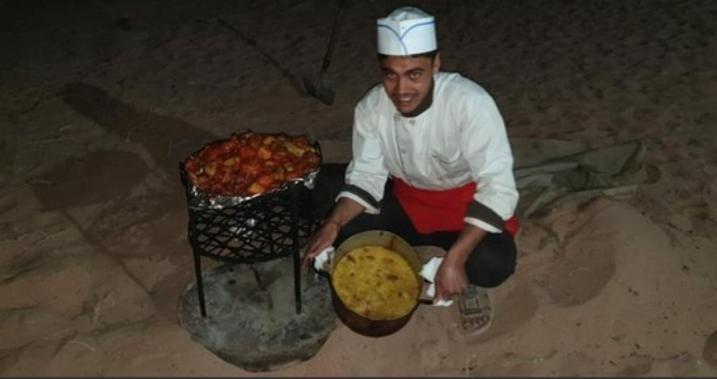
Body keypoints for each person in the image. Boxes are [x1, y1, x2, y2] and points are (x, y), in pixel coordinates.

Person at [302, 6, 519, 334]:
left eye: (415, 74)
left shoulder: (469, 103)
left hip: (465, 209)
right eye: (391, 74)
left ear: (436, 64)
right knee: (335, 223)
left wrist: (457, 258)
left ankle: (460, 274)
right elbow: (366, 177)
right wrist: (334, 223)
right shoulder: (371, 108)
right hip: (408, 203)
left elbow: (498, 184)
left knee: (493, 265)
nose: (401, 90)